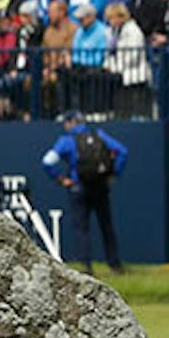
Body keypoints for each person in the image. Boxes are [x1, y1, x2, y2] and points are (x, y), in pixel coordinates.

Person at [41, 110, 127, 273]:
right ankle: (115, 265)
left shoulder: (66, 141)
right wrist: (114, 174)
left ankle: (85, 266)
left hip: (78, 187)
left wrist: (60, 179)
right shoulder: (99, 135)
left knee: (82, 228)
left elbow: (47, 162)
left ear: (71, 123)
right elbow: (122, 151)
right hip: (100, 186)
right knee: (106, 226)